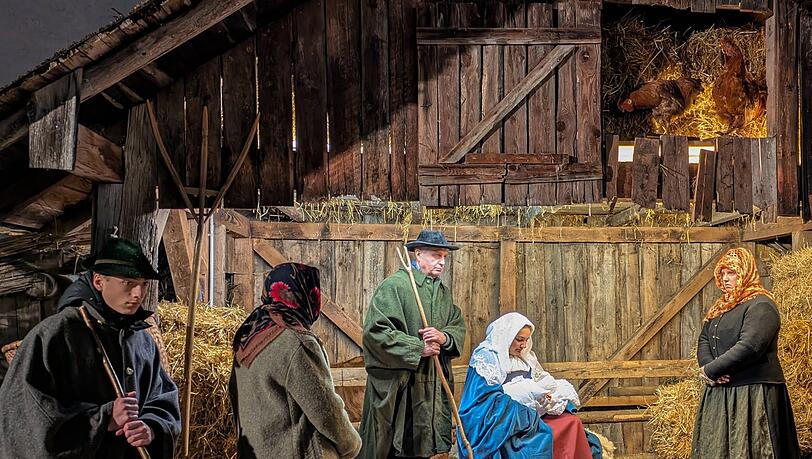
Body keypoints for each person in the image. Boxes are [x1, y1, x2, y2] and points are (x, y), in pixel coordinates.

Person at [0, 237, 181, 458]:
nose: (137, 294)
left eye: (143, 284)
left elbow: (162, 399)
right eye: (128, 283)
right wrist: (103, 418)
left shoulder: (142, 341)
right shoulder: (54, 335)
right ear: (98, 281)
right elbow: (25, 416)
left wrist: (151, 428)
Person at [229, 263, 361, 459]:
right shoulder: (297, 342)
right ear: (305, 295)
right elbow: (326, 411)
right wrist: (353, 445)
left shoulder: (250, 334)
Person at [358, 229, 466, 459]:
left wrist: (443, 337)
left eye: (445, 257)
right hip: (403, 387)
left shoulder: (441, 292)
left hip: (433, 386)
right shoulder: (395, 287)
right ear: (418, 254)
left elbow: (456, 324)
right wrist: (418, 348)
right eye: (436, 255)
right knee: (398, 445)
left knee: (430, 447)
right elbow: (375, 333)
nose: (442, 262)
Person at [692, 247, 800, 458]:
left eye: (731, 273)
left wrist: (712, 370)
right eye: (722, 273)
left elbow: (750, 347)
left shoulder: (761, 305)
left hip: (752, 393)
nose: (725, 279)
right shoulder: (721, 307)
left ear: (745, 272)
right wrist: (708, 368)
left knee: (755, 449)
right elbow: (704, 339)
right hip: (721, 390)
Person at [458, 312, 601, 459]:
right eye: (519, 339)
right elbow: (482, 402)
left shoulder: (526, 358)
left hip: (533, 414)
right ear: (507, 336)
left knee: (571, 422)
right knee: (542, 435)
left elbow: (542, 382)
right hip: (502, 422)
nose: (524, 345)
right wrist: (523, 405)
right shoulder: (487, 357)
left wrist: (550, 397)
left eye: (526, 340)